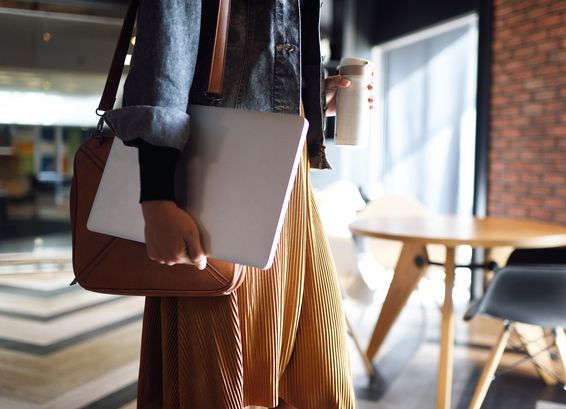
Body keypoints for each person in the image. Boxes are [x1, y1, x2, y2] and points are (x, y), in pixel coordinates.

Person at [103, 1, 374, 408]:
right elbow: (165, 46)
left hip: (285, 175)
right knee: (215, 384)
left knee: (318, 383)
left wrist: (312, 94)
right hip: (217, 175)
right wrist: (157, 194)